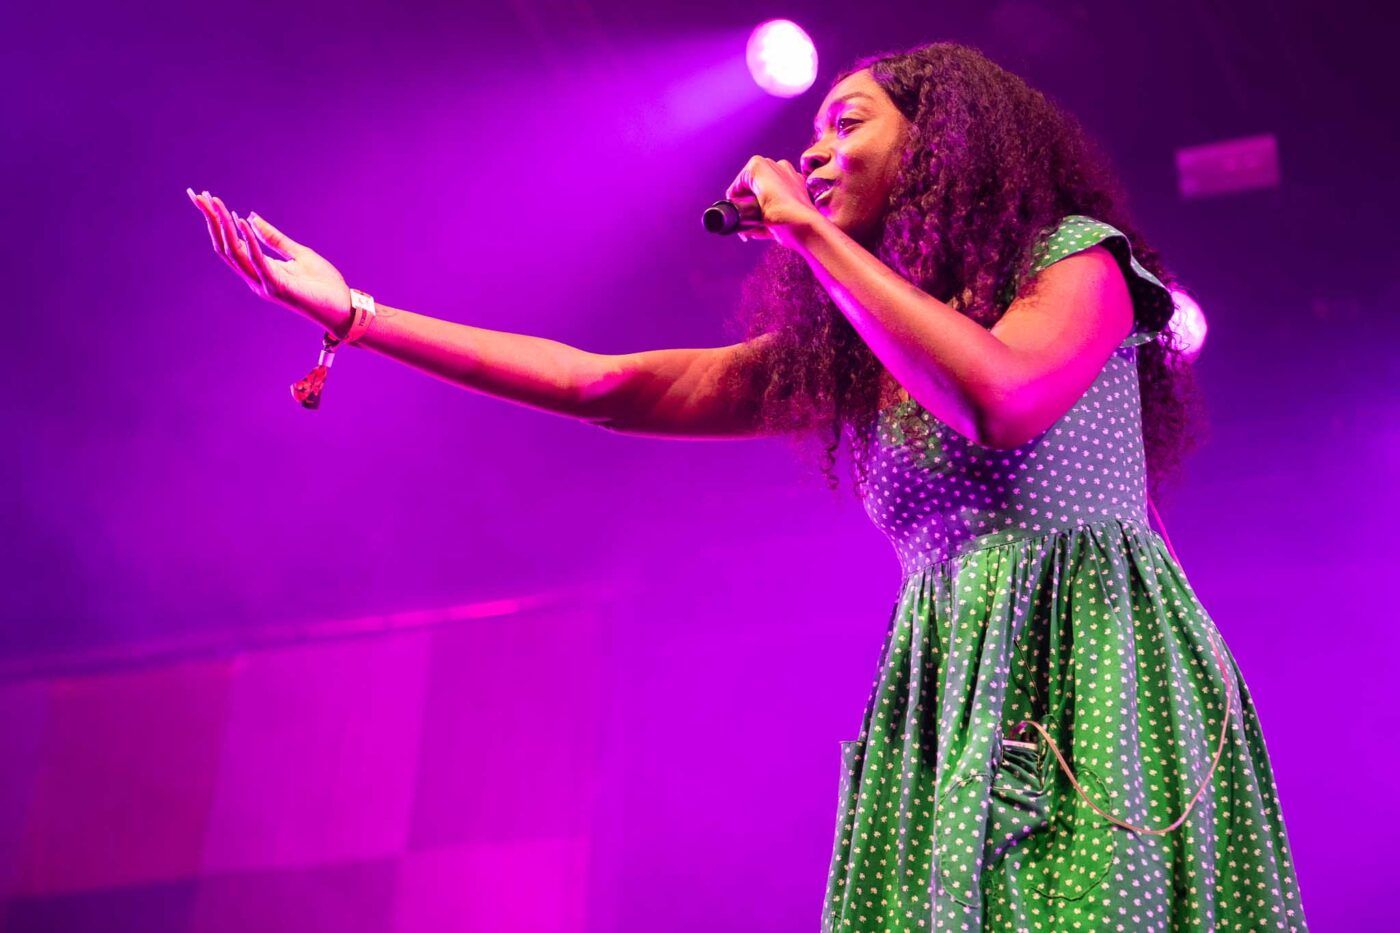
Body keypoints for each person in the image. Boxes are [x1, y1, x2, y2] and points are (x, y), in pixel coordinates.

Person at [188, 40, 1305, 932]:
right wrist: (356, 316)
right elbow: (606, 384)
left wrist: (811, 236)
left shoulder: (1077, 258)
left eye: (845, 123)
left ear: (942, 143)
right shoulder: (864, 355)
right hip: (951, 686)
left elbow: (999, 400)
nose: (810, 152)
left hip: (1094, 667)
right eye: (810, 136)